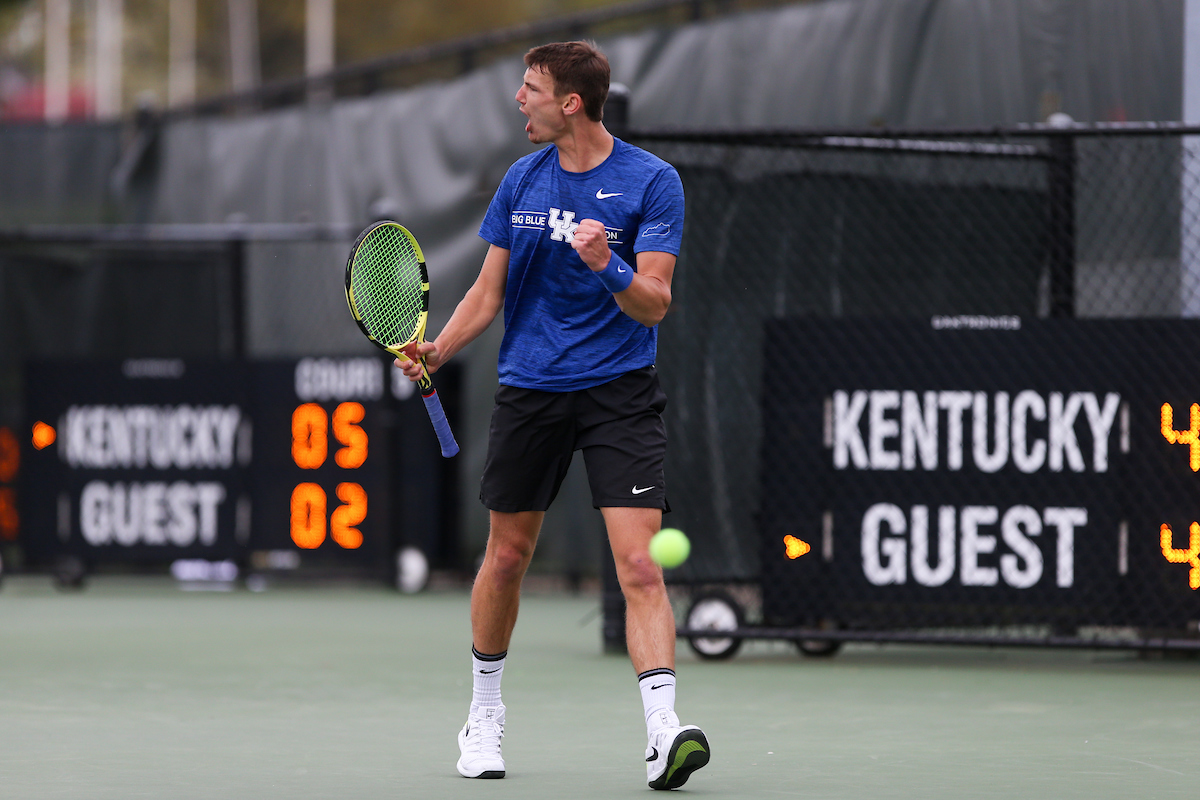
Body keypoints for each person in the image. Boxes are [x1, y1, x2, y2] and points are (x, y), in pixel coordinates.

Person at [395, 40, 709, 790]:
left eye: (530, 88)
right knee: (505, 558)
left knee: (639, 562)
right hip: (531, 389)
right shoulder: (520, 180)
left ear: (569, 103)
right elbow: (487, 292)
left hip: (619, 393)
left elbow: (655, 302)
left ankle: (664, 730)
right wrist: (439, 347)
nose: (519, 100)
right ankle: (484, 715)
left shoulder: (653, 184)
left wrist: (609, 264)